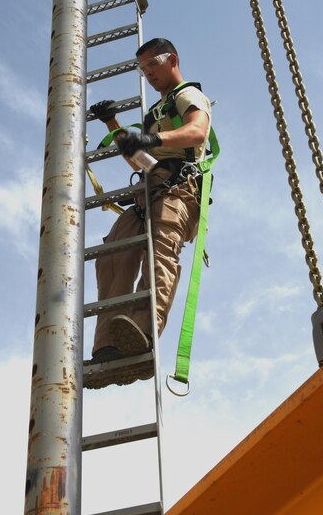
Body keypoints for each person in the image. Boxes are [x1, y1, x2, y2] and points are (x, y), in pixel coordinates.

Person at [86, 37, 212, 388]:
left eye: (152, 65)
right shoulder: (155, 112)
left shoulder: (187, 95)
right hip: (149, 187)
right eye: (143, 69)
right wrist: (114, 125)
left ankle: (142, 333)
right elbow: (141, 158)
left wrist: (153, 140)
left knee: (160, 254)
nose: (148, 74)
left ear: (171, 59)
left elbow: (197, 131)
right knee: (113, 255)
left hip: (176, 189)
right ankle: (109, 345)